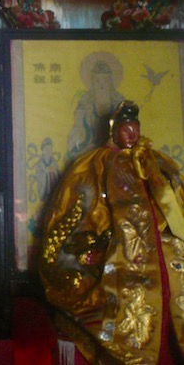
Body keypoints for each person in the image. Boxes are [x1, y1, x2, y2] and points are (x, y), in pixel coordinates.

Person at [40, 100, 184, 363]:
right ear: (114, 129)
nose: (132, 135)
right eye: (126, 129)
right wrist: (95, 248)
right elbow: (75, 219)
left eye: (135, 129)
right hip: (116, 257)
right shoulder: (92, 166)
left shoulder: (155, 163)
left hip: (162, 256)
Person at [66, 54, 126, 160]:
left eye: (105, 80)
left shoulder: (118, 100)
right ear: (92, 82)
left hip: (115, 147)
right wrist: (83, 119)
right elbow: (78, 125)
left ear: (110, 81)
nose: (101, 84)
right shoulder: (85, 99)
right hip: (90, 143)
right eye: (97, 80)